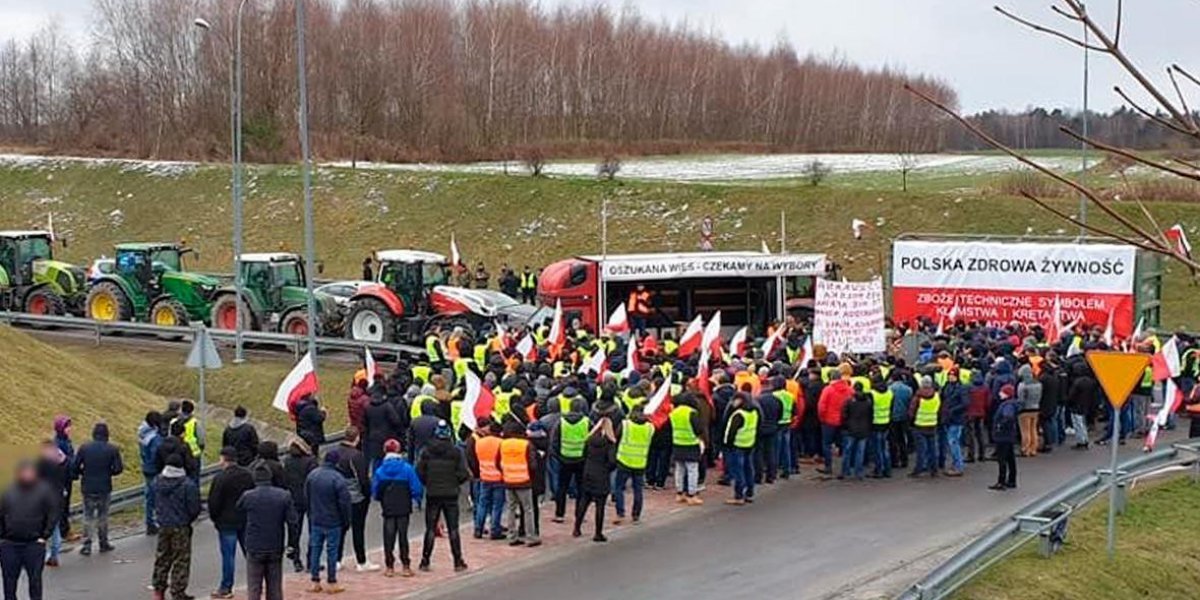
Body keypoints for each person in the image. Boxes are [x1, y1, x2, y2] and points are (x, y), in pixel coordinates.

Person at [237, 463, 298, 600]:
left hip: (254, 546)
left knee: (254, 587)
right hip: (275, 545)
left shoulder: (248, 496)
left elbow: (238, 512)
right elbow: (293, 522)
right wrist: (292, 543)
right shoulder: (283, 496)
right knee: (275, 586)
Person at [415, 421, 470, 572]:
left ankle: (425, 561)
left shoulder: (426, 451)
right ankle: (458, 561)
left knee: (430, 528)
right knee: (453, 528)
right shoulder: (456, 451)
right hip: (451, 493)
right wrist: (454, 481)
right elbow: (464, 473)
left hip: (433, 493)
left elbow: (419, 472)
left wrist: (428, 482)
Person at [0, 460, 58, 600]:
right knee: (9, 582)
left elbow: (52, 513)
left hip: (34, 544)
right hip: (10, 544)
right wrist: (2, 536)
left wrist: (44, 536)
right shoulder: (7, 491)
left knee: (35, 580)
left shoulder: (44, 490)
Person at [371, 439, 424, 578]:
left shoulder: (380, 471)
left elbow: (375, 491)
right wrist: (417, 498)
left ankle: (389, 566)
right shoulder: (407, 469)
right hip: (403, 506)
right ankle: (406, 565)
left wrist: (380, 498)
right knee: (403, 535)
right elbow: (416, 487)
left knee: (388, 536)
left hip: (388, 507)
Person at [152, 454, 202, 600]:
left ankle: (158, 590)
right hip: (181, 526)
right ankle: (178, 592)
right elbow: (194, 508)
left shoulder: (157, 482)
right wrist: (188, 520)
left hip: (163, 524)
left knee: (162, 557)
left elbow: (154, 501)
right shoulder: (187, 484)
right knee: (181, 560)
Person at [208, 447, 255, 599]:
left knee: (228, 556)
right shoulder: (247, 475)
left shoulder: (220, 478)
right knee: (251, 554)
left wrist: (215, 518)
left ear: (224, 459)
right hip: (245, 519)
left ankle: (226, 587)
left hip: (226, 522)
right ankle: (256, 583)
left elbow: (214, 502)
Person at [72, 421, 123, 556]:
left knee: (88, 516)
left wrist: (83, 473)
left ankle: (87, 545)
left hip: (88, 486)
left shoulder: (84, 448)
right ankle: (103, 542)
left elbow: (75, 466)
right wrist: (108, 472)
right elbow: (118, 469)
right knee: (103, 516)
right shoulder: (112, 449)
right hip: (104, 486)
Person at [305, 450, 351, 594]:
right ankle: (331, 582)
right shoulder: (338, 479)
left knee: (315, 550)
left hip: (316, 519)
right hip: (333, 521)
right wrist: (346, 521)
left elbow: (306, 496)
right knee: (332, 552)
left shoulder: (312, 475)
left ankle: (315, 580)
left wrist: (311, 513)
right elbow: (344, 503)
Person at [334, 427, 379, 573]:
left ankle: (336, 559)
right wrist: (367, 494)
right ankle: (361, 561)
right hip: (356, 498)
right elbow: (363, 480)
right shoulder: (356, 456)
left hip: (339, 497)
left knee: (341, 528)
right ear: (357, 438)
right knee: (358, 529)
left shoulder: (335, 452)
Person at [574, 418, 617, 542]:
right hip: (601, 475)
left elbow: (583, 455)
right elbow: (612, 461)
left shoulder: (589, 439)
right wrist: (607, 469)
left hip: (588, 472)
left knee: (584, 501)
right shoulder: (609, 443)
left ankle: (577, 528)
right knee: (600, 505)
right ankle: (598, 533)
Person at [500, 420, 540, 547]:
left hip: (508, 480)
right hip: (524, 481)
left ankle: (512, 536)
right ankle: (531, 537)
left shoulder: (503, 444)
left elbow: (498, 462)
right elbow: (533, 465)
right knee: (528, 510)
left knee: (511, 509)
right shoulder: (526, 444)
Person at [551, 397, 590, 522]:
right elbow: (592, 440)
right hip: (581, 460)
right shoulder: (587, 422)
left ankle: (559, 514)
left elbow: (554, 441)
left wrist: (559, 456)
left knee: (562, 487)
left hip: (564, 459)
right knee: (581, 489)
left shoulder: (561, 422)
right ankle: (579, 514)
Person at [465, 421, 506, 540]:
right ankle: (495, 529)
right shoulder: (501, 443)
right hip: (498, 477)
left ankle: (478, 528)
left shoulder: (479, 442)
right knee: (496, 505)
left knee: (482, 504)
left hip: (484, 476)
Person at [282, 437, 317, 573]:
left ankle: (296, 560)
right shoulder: (311, 461)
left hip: (294, 498)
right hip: (309, 498)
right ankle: (311, 561)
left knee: (295, 530)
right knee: (313, 531)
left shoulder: (288, 461)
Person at [613, 409, 654, 523]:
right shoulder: (650, 427)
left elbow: (616, 438)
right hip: (640, 462)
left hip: (624, 460)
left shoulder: (625, 425)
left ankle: (620, 513)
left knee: (619, 488)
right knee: (638, 490)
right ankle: (636, 515)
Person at [34, 440, 69, 568]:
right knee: (54, 529)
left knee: (45, 530)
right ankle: (53, 556)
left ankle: (43, 556)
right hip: (56, 500)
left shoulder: (39, 465)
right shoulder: (58, 464)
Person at [817, 365, 854, 477]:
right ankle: (845, 468)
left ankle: (828, 466)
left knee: (827, 444)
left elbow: (821, 407)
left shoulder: (828, 390)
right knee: (844, 445)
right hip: (844, 421)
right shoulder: (849, 390)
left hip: (829, 421)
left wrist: (822, 418)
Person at [723, 392, 758, 505]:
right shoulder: (753, 412)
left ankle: (739, 495)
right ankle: (749, 493)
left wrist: (727, 444)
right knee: (749, 469)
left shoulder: (738, 414)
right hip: (749, 443)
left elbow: (731, 432)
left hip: (737, 445)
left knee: (738, 471)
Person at [669, 394, 705, 505]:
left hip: (677, 443)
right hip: (691, 443)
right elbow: (698, 429)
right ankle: (691, 495)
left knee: (679, 469)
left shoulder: (673, 413)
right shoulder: (692, 412)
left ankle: (679, 493)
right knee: (692, 470)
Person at [137, 412, 164, 536]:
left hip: (146, 466)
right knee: (154, 496)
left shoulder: (142, 432)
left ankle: (149, 521)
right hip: (154, 469)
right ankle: (152, 523)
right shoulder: (155, 438)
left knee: (149, 496)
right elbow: (156, 455)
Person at [908, 376, 941, 478]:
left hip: (920, 425)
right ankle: (934, 470)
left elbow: (912, 411)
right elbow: (939, 409)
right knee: (933, 449)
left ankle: (918, 470)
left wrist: (911, 420)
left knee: (921, 450)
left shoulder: (918, 397)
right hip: (932, 424)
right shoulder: (936, 396)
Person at [990, 384, 1020, 491]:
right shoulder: (1012, 404)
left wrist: (1000, 426)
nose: (999, 393)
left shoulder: (1007, 405)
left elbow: (1008, 417)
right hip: (1009, 435)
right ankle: (1012, 480)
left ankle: (1001, 481)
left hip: (1003, 435)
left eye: (1002, 392)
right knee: (1010, 458)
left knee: (1002, 459)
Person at [941, 368, 969, 476]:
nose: (950, 377)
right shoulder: (947, 386)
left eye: (953, 376)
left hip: (956, 419)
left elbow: (965, 403)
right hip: (948, 418)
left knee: (953, 442)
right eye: (949, 375)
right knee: (952, 442)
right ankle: (956, 464)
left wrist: (952, 410)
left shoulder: (961, 388)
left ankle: (958, 466)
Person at [840, 388, 873, 480]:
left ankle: (845, 471)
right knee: (860, 453)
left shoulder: (849, 402)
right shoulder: (868, 403)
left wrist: (846, 425)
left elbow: (844, 415)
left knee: (847, 451)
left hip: (851, 430)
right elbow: (871, 416)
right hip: (864, 430)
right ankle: (858, 473)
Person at [51, 416, 74, 544]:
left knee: (66, 505)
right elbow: (62, 461)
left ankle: (65, 529)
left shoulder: (66, 441)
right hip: (61, 479)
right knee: (62, 506)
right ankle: (63, 531)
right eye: (67, 427)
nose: (70, 429)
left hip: (67, 477)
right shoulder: (58, 444)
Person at [1016, 364, 1043, 457]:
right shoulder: (1038, 384)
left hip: (1025, 410)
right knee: (1033, 429)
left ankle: (1025, 449)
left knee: (1025, 431)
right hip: (1036, 408)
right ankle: (1033, 449)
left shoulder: (1022, 385)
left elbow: (1021, 399)